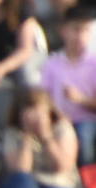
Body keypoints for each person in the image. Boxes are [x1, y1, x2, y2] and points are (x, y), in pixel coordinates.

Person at [40, 6, 96, 165]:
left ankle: (87, 182)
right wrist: (57, 114)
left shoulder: (94, 63)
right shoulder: (52, 64)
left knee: (83, 136)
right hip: (59, 121)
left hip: (88, 120)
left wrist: (81, 99)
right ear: (63, 31)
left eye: (85, 30)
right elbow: (44, 96)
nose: (81, 36)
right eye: (76, 30)